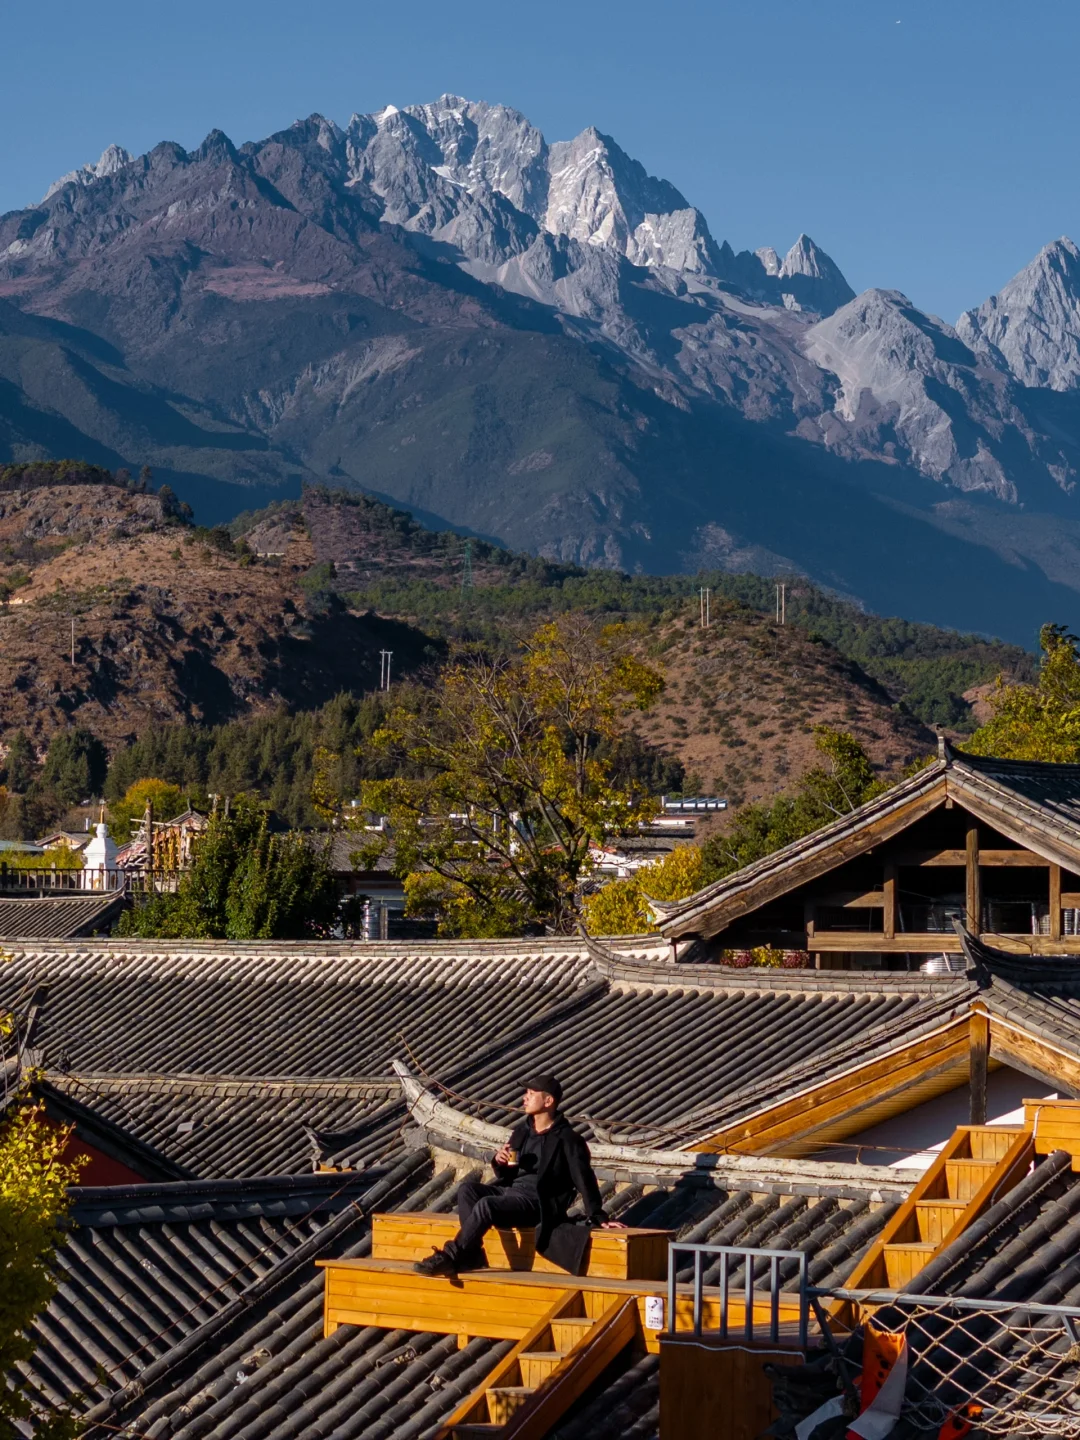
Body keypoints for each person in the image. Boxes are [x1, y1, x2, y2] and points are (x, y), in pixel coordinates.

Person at [414, 1073, 624, 1277]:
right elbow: (508, 1173)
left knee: (487, 1204)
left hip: (538, 1203)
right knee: (468, 1189)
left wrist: (598, 1215)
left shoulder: (568, 1139)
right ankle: (472, 1253)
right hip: (512, 1193)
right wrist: (500, 1160)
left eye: (531, 1094)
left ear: (548, 1100)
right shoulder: (522, 1132)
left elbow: (584, 1178)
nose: (525, 1098)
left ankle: (451, 1255)